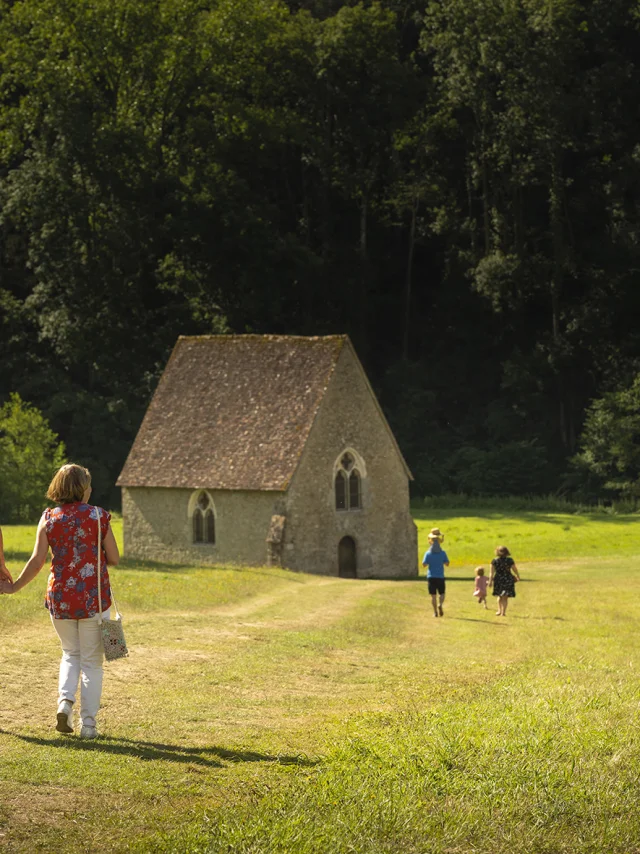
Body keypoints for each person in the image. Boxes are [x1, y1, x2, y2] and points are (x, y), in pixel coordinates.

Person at [0, 464, 119, 739]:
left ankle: (64, 704)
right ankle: (88, 726)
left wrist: (14, 586)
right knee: (92, 662)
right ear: (81, 489)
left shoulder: (48, 517)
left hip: (60, 600)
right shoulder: (99, 517)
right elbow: (114, 558)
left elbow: (37, 561)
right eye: (88, 485)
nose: (90, 489)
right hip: (93, 600)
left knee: (70, 653)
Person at [422, 528, 450, 617]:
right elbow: (447, 564)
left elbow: (424, 564)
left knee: (433, 596)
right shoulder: (442, 553)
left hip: (431, 576)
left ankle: (435, 612)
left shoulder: (428, 553)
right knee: (442, 593)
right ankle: (440, 604)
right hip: (440, 576)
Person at [489, 545, 520, 617]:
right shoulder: (509, 560)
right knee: (505, 597)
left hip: (498, 579)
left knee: (499, 596)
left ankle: (499, 610)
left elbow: (491, 572)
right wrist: (517, 575)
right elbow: (514, 569)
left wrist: (490, 581)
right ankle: (503, 612)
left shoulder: (494, 561)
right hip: (508, 579)